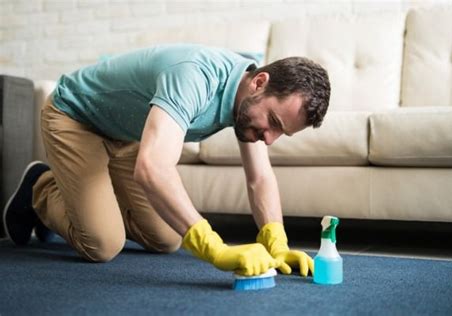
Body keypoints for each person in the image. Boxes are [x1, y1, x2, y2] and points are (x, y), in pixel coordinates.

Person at [2, 44, 330, 278]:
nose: (269, 138)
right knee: (103, 243)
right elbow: (153, 168)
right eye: (272, 121)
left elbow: (259, 177)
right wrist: (214, 248)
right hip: (75, 117)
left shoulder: (247, 98)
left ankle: (89, 197)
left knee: (167, 238)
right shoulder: (196, 76)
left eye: (280, 133)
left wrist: (277, 242)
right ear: (259, 83)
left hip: (126, 133)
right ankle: (41, 189)